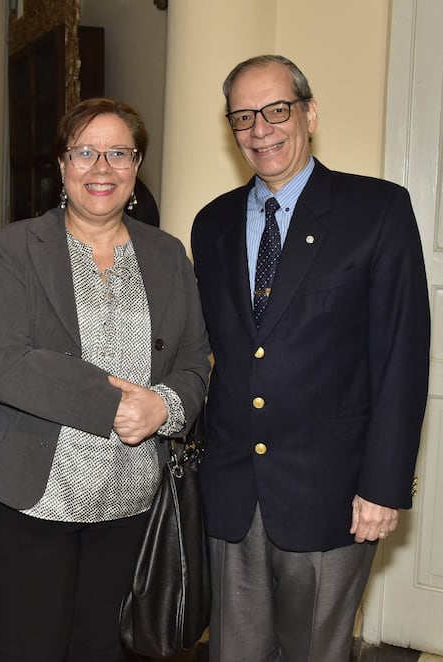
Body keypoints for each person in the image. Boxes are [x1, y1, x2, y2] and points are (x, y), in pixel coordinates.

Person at [190, 54, 430, 661]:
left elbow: (402, 356)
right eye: (243, 117)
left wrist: (383, 484)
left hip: (333, 495)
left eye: (276, 110)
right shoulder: (211, 224)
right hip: (232, 493)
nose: (260, 129)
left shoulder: (376, 211)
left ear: (309, 113)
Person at [0, 97, 211, 662]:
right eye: (85, 152)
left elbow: (196, 358)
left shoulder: (168, 254)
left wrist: (165, 408)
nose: (102, 167)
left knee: (104, 650)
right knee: (32, 649)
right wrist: (113, 404)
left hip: (131, 502)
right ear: (62, 164)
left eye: (118, 153)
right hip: (31, 501)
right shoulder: (15, 248)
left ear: (136, 165)